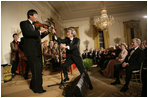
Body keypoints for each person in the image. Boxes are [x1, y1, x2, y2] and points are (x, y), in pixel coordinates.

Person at [20, 9, 52, 93]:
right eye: (36, 15)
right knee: (36, 70)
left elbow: (38, 37)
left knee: (38, 69)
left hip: (37, 51)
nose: (37, 17)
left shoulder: (36, 26)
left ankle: (32, 85)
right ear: (30, 15)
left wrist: (48, 31)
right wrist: (40, 31)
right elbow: (28, 33)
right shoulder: (23, 23)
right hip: (31, 51)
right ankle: (38, 89)